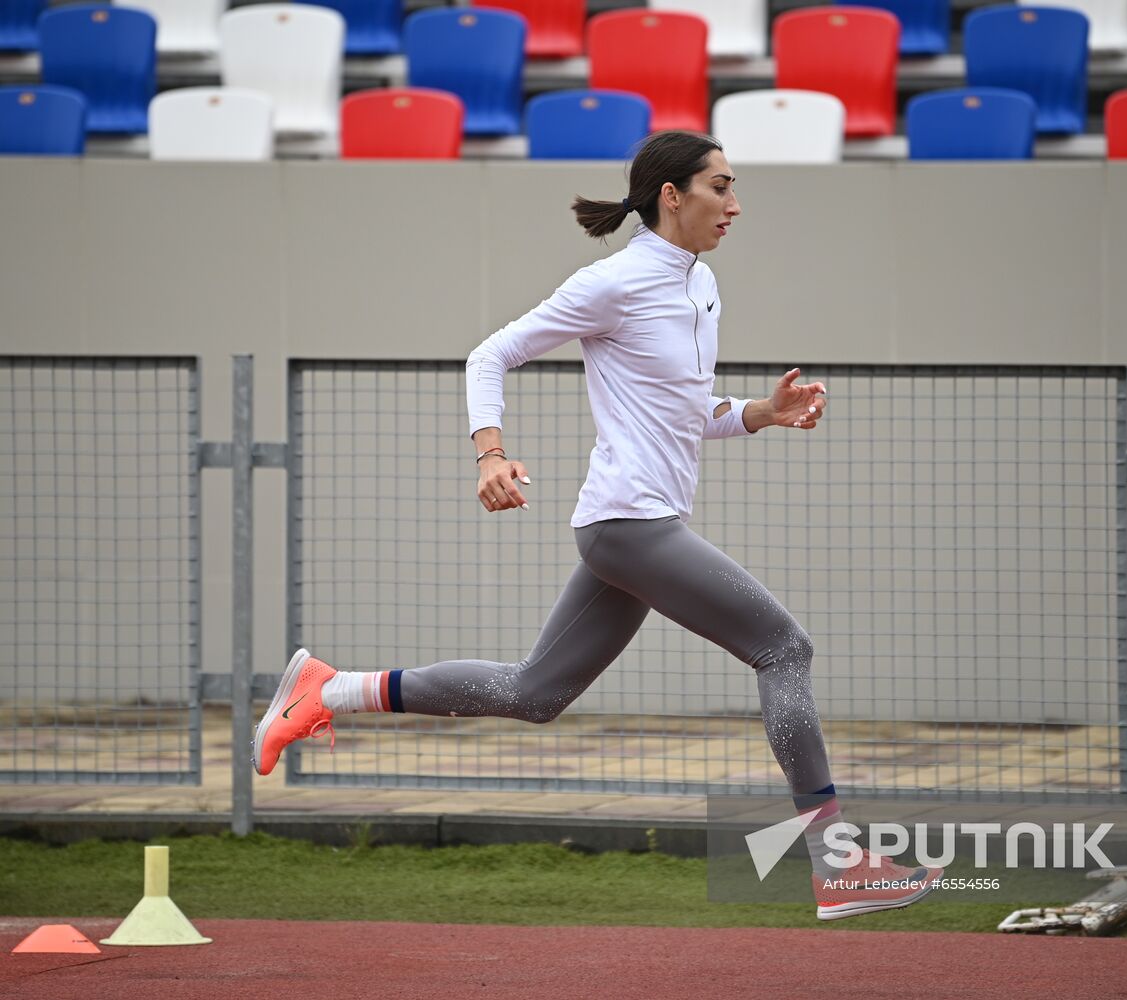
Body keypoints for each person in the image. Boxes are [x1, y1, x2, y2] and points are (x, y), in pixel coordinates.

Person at [250, 130, 941, 919]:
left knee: (535, 693)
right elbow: (488, 354)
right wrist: (491, 454)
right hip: (629, 526)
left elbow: (686, 415)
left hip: (629, 527)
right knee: (783, 647)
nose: (735, 204)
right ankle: (835, 862)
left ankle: (327, 689)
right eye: (720, 187)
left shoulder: (700, 284)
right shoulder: (611, 282)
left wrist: (759, 413)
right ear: (671, 196)